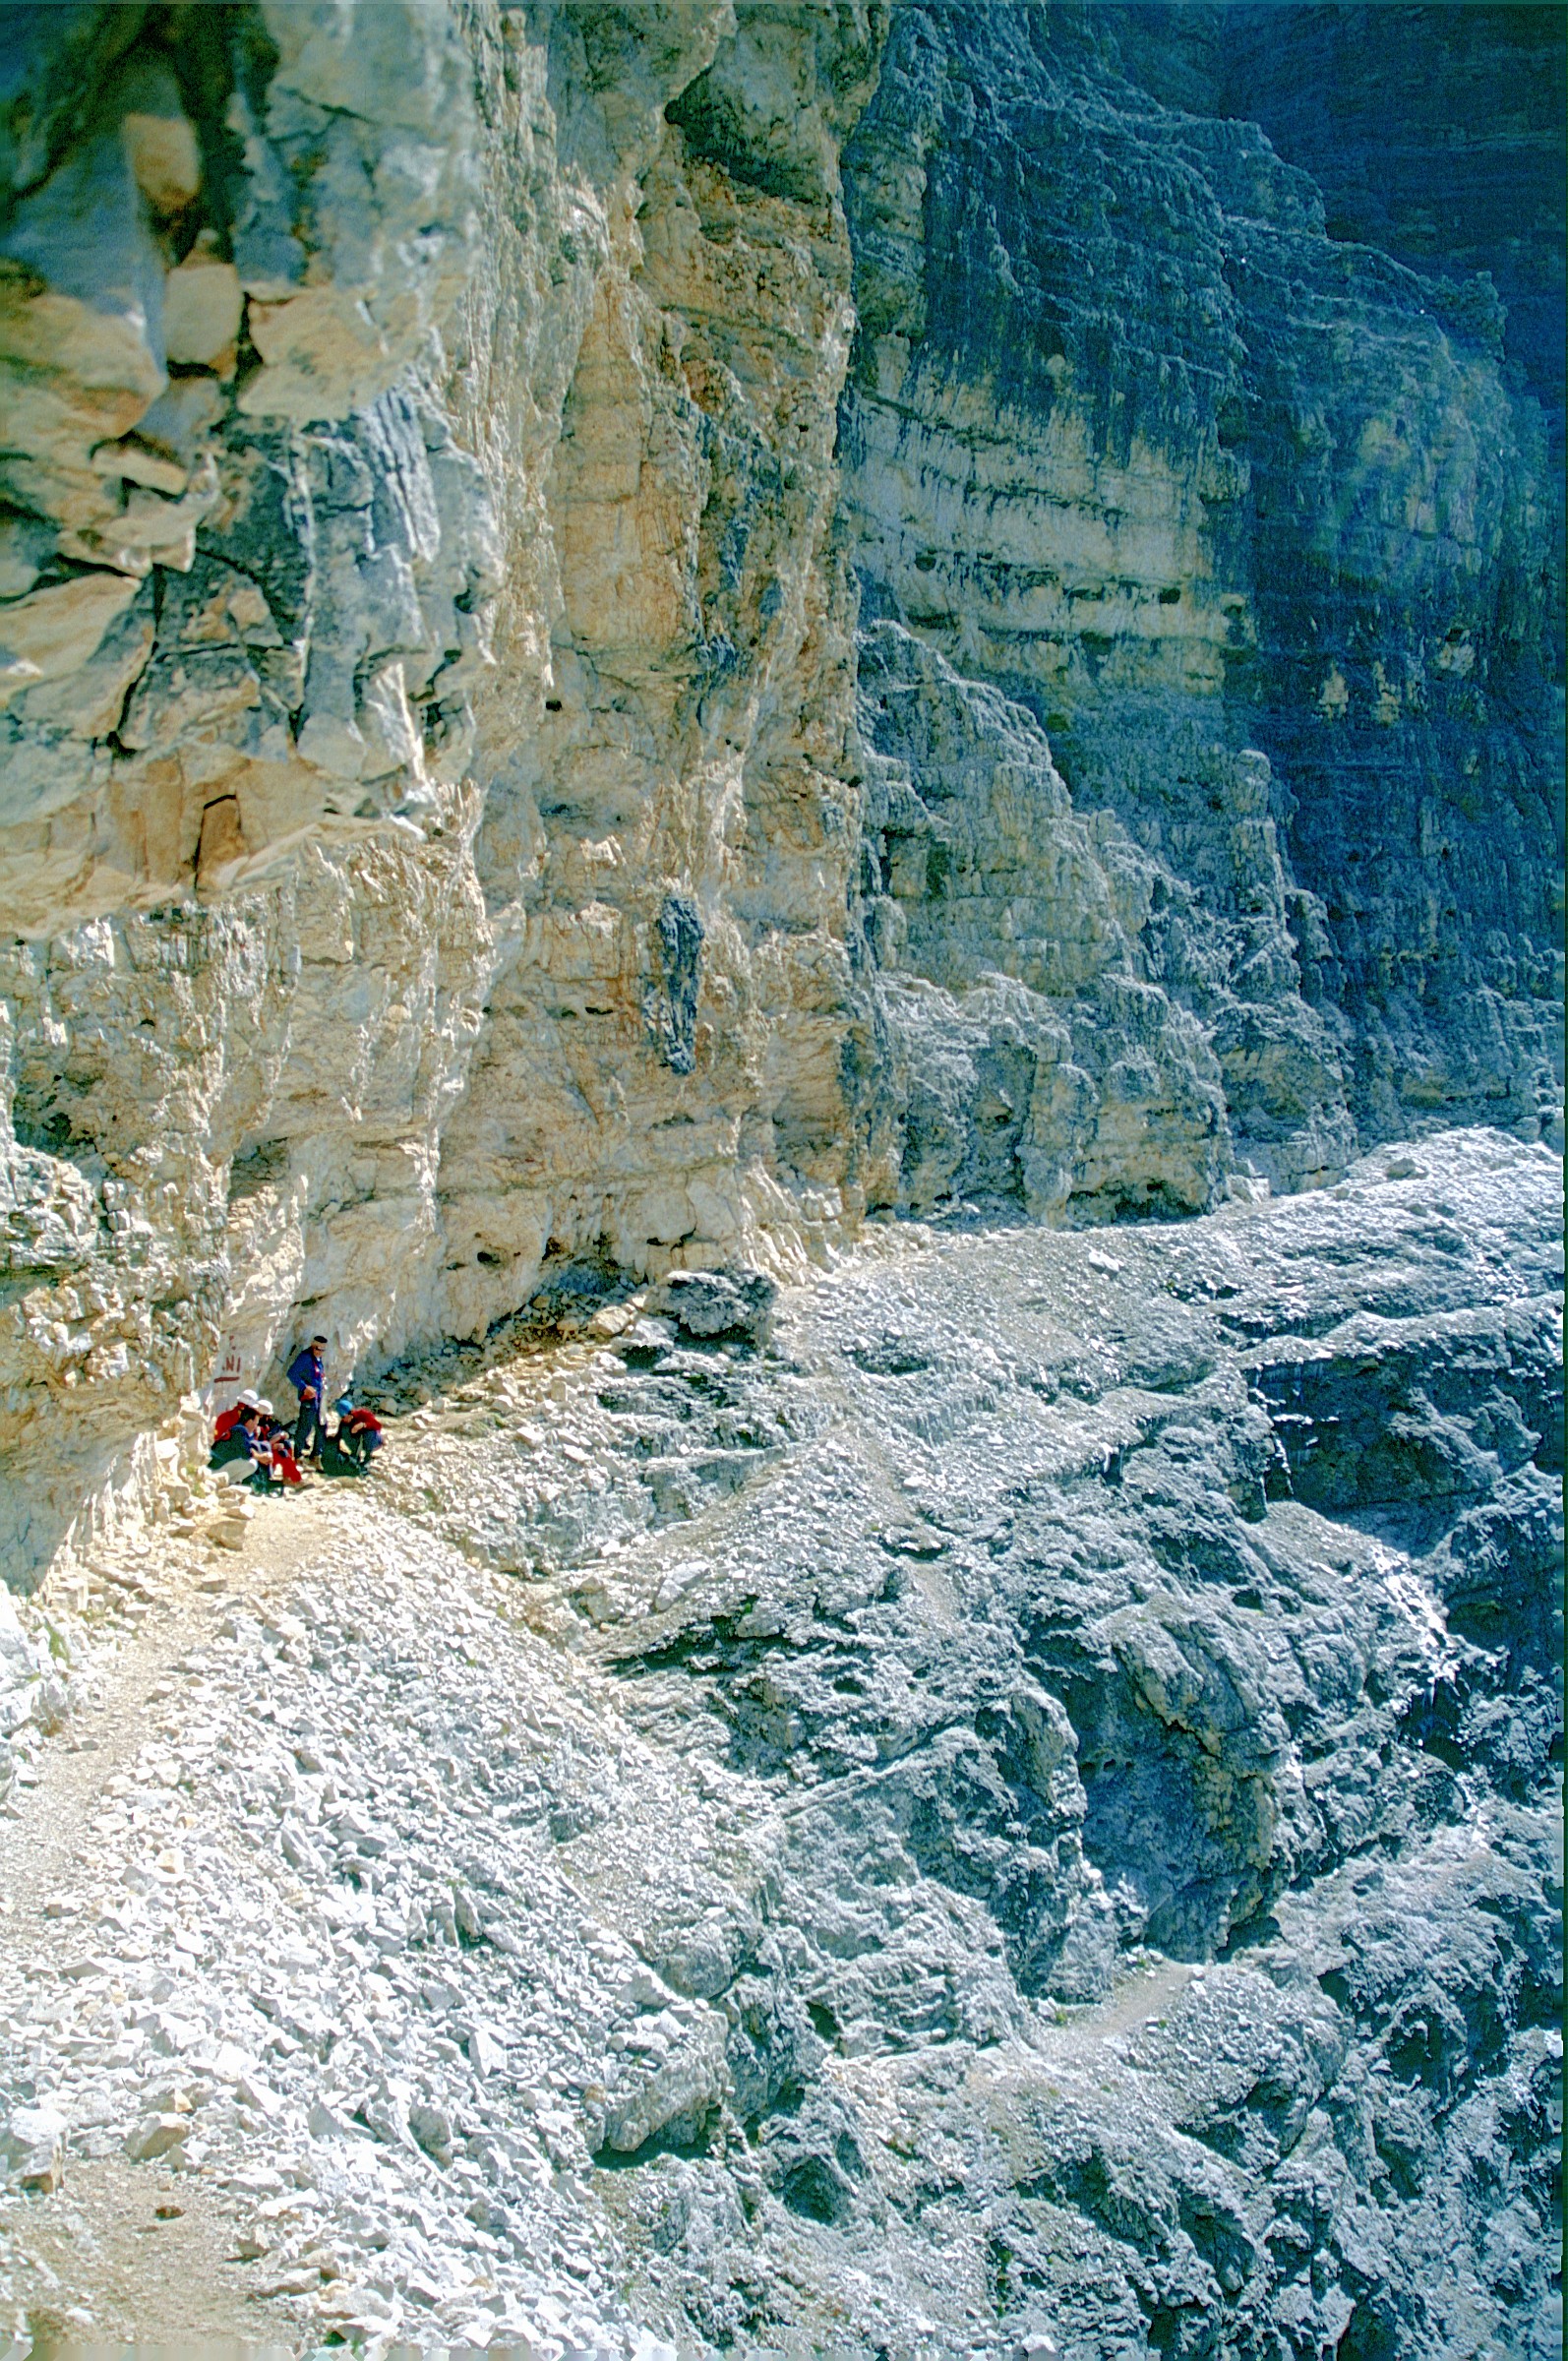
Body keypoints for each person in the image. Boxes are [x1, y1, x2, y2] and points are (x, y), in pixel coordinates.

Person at [286, 1333, 329, 1466]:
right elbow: (292, 1373)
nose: (320, 1352)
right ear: (312, 1346)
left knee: (322, 1426)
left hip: (319, 1398)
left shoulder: (318, 1360)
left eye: (323, 1350)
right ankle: (297, 1456)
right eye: (318, 1349)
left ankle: (316, 1455)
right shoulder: (305, 1357)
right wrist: (305, 1387)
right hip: (309, 1399)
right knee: (305, 1427)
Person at [332, 1394, 384, 1473]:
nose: (343, 1419)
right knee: (345, 1430)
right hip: (358, 1443)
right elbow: (338, 1437)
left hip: (373, 1440)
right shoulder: (344, 1423)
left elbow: (378, 1425)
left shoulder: (363, 1414)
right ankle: (355, 1456)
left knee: (370, 1432)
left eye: (344, 1416)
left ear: (351, 1413)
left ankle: (367, 1459)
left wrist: (363, 1425)